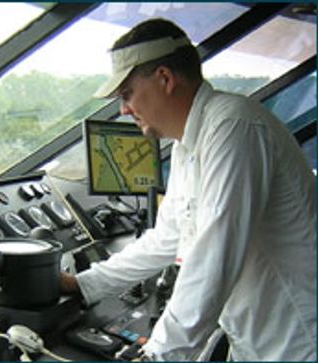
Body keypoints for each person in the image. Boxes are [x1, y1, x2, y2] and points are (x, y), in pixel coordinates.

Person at [61, 18, 316, 361]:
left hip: (297, 342)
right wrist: (85, 284)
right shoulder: (187, 145)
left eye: (127, 94)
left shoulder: (233, 127)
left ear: (165, 78)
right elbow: (166, 238)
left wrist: (159, 355)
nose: (124, 109)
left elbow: (214, 254)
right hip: (256, 340)